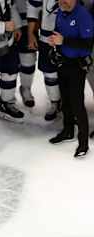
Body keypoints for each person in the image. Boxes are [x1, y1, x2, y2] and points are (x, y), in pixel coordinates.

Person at [47, 0, 93, 157]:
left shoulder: (83, 15)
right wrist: (55, 43)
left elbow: (87, 44)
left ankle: (83, 143)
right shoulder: (61, 11)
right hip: (63, 62)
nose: (62, 1)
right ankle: (68, 131)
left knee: (77, 103)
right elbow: (58, 32)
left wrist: (64, 41)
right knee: (65, 100)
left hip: (76, 66)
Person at [27, 0, 62, 121]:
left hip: (70, 37)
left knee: (71, 74)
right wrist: (31, 34)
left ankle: (70, 106)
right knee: (50, 73)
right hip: (47, 38)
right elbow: (33, 7)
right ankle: (55, 102)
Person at [0, 0, 25, 123]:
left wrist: (17, 26)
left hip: (7, 41)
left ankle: (7, 103)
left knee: (10, 73)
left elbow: (11, 7)